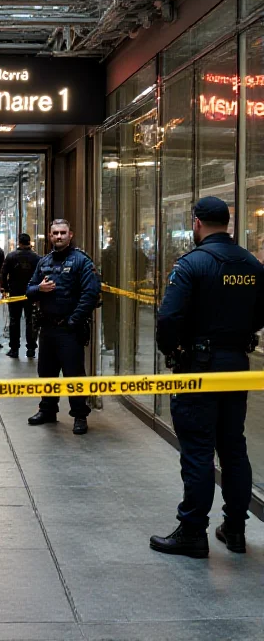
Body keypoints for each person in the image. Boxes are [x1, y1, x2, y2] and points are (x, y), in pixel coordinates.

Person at [150, 197, 264, 559]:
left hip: (198, 366)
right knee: (233, 446)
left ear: (197, 223)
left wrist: (174, 352)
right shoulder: (252, 265)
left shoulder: (192, 265)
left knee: (198, 450)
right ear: (227, 223)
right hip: (235, 364)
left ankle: (193, 531)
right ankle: (235, 529)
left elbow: (168, 319)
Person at [26, 218, 101, 434]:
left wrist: (73, 321)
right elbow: (28, 290)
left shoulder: (82, 262)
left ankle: (79, 415)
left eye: (63, 232)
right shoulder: (44, 262)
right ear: (50, 236)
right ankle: (48, 410)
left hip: (70, 330)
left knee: (74, 375)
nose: (59, 236)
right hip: (47, 329)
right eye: (55, 233)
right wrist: (39, 289)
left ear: (71, 234)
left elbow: (90, 294)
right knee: (46, 373)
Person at [0, 233, 41, 359]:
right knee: (31, 321)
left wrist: (5, 288)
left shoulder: (11, 256)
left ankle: (14, 349)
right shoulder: (36, 258)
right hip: (31, 293)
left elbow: (3, 273)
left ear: (19, 242)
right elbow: (41, 275)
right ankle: (31, 349)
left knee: (14, 320)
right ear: (29, 242)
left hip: (15, 292)